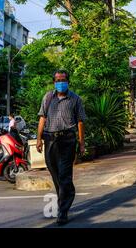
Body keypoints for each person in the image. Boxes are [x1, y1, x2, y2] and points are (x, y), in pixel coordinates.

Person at [36, 70, 86, 226]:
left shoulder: (75, 99)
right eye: (57, 80)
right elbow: (42, 118)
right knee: (56, 175)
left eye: (63, 80)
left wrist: (81, 142)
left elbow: (80, 122)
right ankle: (66, 195)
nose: (60, 82)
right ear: (54, 82)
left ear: (68, 82)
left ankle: (62, 211)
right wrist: (38, 139)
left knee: (64, 175)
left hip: (67, 141)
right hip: (50, 140)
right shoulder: (48, 97)